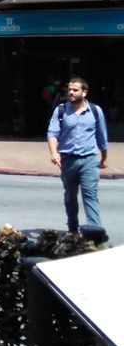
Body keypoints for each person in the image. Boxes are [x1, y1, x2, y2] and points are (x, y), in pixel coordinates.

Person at [47, 77, 108, 233]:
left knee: (90, 195)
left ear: (84, 92)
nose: (71, 92)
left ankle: (95, 233)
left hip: (89, 159)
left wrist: (104, 157)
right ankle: (73, 230)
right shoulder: (61, 110)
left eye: (75, 90)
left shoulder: (95, 111)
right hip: (68, 160)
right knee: (70, 196)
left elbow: (102, 136)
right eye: (69, 90)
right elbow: (52, 133)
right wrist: (54, 153)